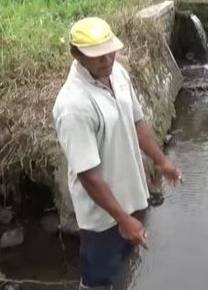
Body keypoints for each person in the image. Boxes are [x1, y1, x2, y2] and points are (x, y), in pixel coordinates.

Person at [53, 17, 182, 289]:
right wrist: (122, 219)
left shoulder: (117, 73)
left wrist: (162, 161)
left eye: (110, 50)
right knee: (97, 279)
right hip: (103, 218)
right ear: (76, 55)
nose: (107, 59)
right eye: (97, 55)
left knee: (121, 269)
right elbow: (88, 175)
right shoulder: (73, 105)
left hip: (133, 196)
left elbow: (136, 122)